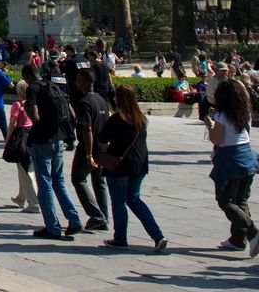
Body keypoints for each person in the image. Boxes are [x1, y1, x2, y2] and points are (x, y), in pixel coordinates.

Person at [99, 84, 166, 252]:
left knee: (119, 201)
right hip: (140, 164)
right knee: (134, 199)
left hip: (120, 165)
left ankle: (120, 238)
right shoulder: (141, 118)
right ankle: (158, 235)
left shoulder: (117, 118)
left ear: (119, 99)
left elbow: (102, 137)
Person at [23, 62, 84, 240]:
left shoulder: (33, 89)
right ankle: (74, 220)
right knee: (59, 181)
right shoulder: (53, 85)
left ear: (27, 77)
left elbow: (34, 117)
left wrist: (28, 110)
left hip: (42, 140)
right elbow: (72, 114)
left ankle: (52, 226)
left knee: (45, 184)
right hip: (58, 139)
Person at [208, 79, 259, 257]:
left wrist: (210, 124)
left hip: (230, 158)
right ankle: (237, 239)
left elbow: (217, 140)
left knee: (225, 201)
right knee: (241, 199)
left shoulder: (221, 116)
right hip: (247, 155)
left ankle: (252, 232)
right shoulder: (245, 112)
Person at [71, 65, 111, 232]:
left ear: (84, 81)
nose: (76, 82)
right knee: (99, 181)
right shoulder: (101, 99)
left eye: (78, 79)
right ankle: (104, 217)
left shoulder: (85, 101)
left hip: (89, 148)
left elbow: (87, 128)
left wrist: (88, 154)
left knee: (78, 179)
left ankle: (96, 216)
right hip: (103, 147)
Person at [7, 80, 40, 213]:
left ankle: (34, 203)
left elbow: (12, 123)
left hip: (21, 137)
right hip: (33, 134)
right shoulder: (34, 103)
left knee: (26, 170)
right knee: (23, 168)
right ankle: (21, 198)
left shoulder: (18, 104)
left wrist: (7, 140)